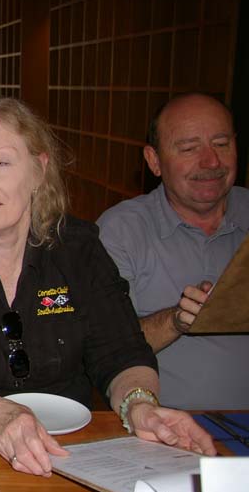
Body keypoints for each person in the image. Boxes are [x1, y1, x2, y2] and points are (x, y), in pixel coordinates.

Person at [0, 98, 216, 477]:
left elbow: (121, 352)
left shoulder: (79, 249)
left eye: (1, 163)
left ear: (39, 170)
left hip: (68, 452)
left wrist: (140, 405)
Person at [97, 93, 249, 410]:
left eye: (222, 144)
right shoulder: (121, 230)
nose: (212, 162)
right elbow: (102, 346)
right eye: (190, 149)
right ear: (154, 161)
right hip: (165, 428)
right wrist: (177, 320)